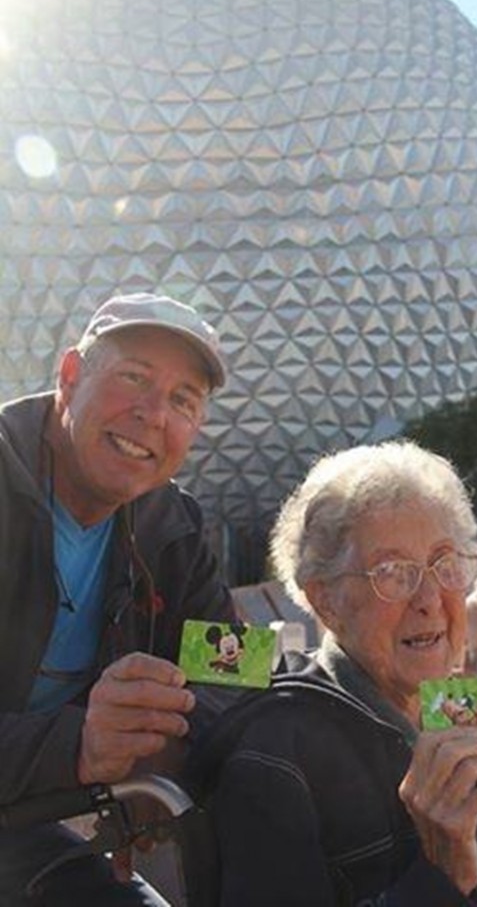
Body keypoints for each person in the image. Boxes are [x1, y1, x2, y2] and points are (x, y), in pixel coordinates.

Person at [193, 441, 477, 906]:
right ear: (325, 600)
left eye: (445, 563)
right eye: (393, 572)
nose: (430, 598)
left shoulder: (449, 711)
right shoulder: (274, 753)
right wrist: (438, 878)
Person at [0, 291, 237, 906]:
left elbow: (238, 674)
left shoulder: (173, 528)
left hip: (31, 828)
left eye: (183, 400)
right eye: (134, 377)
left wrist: (163, 736)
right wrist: (80, 745)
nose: (152, 414)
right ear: (70, 375)